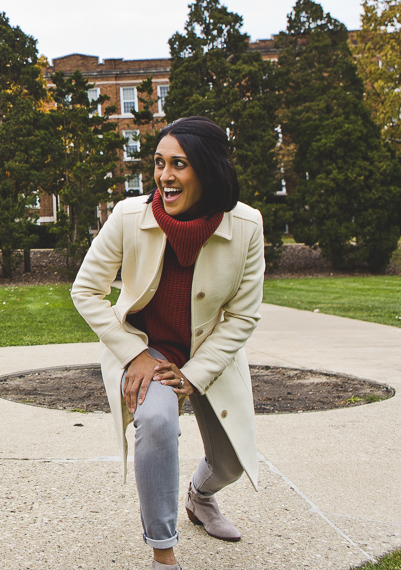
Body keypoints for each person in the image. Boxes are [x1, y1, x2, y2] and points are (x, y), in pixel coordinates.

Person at [71, 116, 264, 570]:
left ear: (208, 169)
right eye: (159, 163)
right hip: (149, 350)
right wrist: (134, 354)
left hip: (210, 352)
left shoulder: (247, 225)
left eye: (179, 164)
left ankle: (200, 497)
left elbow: (243, 316)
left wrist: (194, 376)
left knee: (231, 464)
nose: (164, 176)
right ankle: (163, 553)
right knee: (157, 422)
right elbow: (86, 290)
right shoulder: (128, 216)